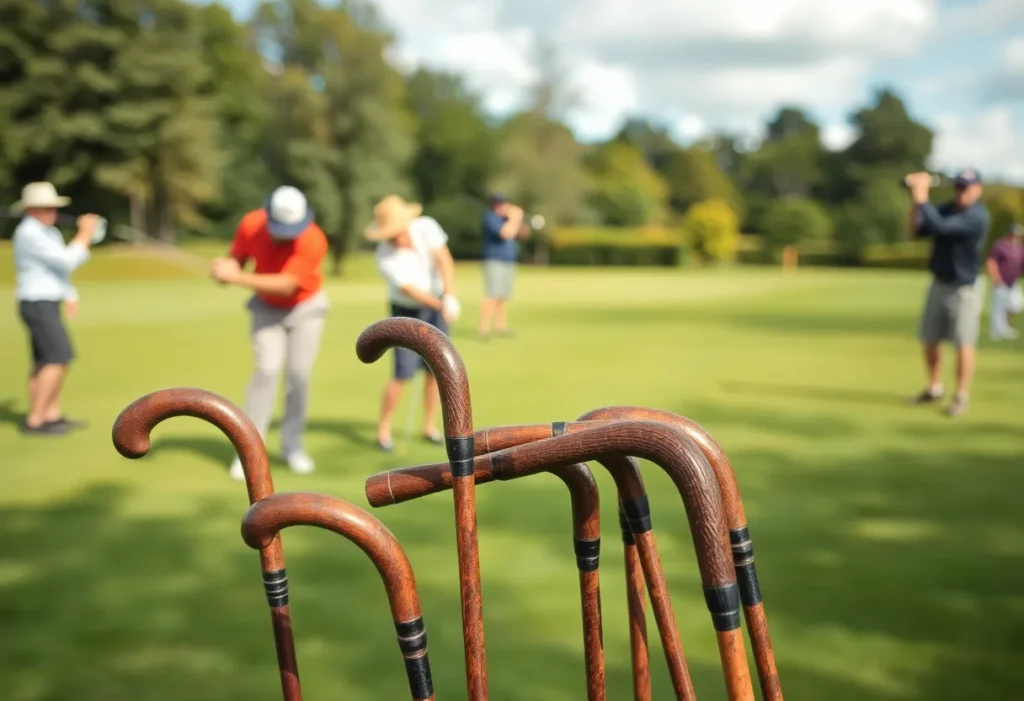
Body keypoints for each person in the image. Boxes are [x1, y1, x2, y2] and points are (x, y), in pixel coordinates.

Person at [211, 186, 329, 480]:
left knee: (298, 375)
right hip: (266, 309)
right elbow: (237, 258)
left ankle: (292, 446)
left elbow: (288, 284)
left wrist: (235, 277)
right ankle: (250, 450)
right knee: (266, 370)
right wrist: (225, 270)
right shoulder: (251, 224)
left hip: (306, 308)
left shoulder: (313, 238)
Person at [364, 194, 460, 451]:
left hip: (439, 299)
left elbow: (444, 259)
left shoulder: (426, 227)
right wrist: (441, 304)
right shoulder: (385, 256)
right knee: (402, 373)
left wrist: (449, 295)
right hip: (406, 311)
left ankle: (429, 426)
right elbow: (410, 290)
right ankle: (383, 429)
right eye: (391, 235)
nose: (398, 238)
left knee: (435, 370)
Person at [12, 181, 100, 435]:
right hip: (36, 302)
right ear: (31, 210)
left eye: (52, 207)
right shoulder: (29, 233)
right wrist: (85, 233)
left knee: (43, 360)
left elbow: (59, 270)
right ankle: (36, 420)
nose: (52, 212)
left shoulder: (48, 232)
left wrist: (69, 295)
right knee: (58, 357)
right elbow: (68, 260)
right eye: (45, 207)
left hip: (47, 301)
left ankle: (51, 414)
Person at [905, 168, 990, 417]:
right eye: (958, 186)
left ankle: (961, 394)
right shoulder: (944, 208)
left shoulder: (977, 216)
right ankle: (934, 387)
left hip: (964, 288)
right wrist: (915, 201)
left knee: (963, 342)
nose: (961, 192)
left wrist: (922, 198)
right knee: (930, 338)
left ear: (978, 189)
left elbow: (941, 227)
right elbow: (917, 230)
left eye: (966, 187)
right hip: (938, 283)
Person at [477, 194, 525, 339]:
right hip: (494, 260)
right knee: (492, 294)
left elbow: (522, 233)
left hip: (507, 260)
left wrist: (517, 220)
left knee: (503, 295)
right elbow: (506, 233)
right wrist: (515, 217)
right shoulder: (490, 217)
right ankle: (483, 328)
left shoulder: (506, 219)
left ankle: (500, 326)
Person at [986, 221, 1024, 340]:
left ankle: (1005, 326)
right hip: (1000, 281)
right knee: (998, 308)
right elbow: (991, 261)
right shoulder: (1000, 245)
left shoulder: (1020, 248)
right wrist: (995, 277)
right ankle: (996, 333)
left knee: (1017, 304)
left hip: (1013, 283)